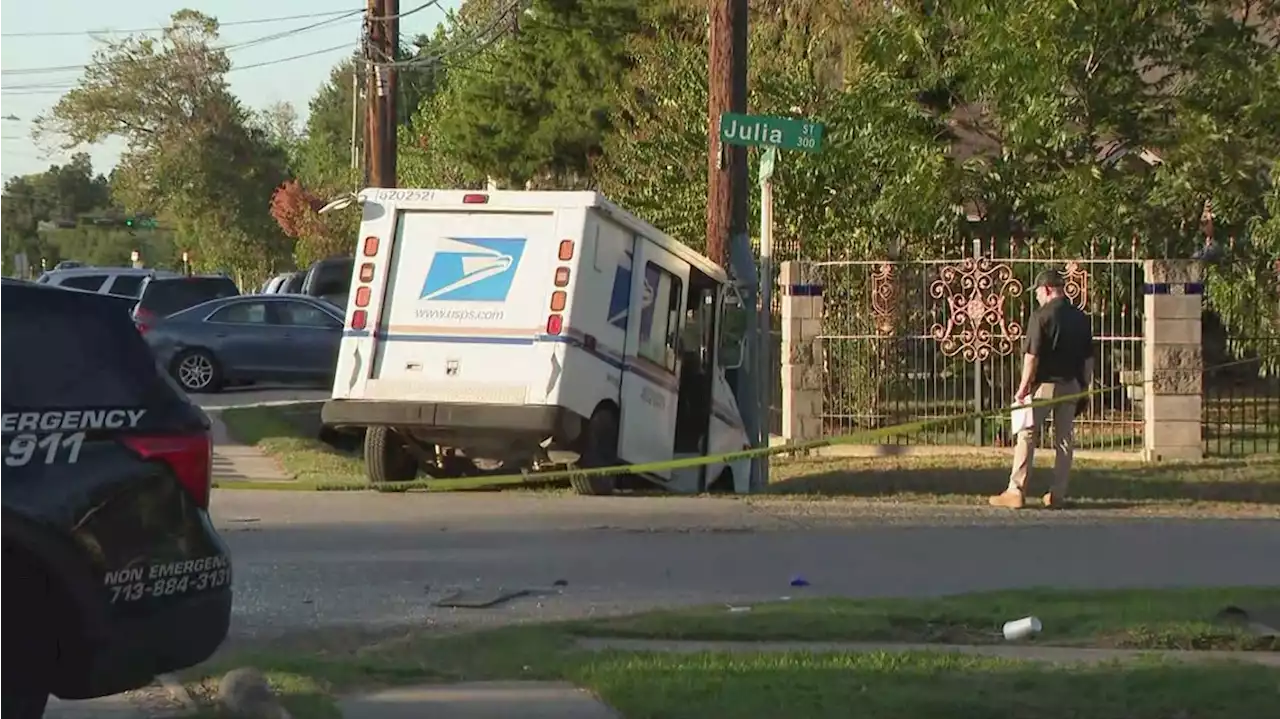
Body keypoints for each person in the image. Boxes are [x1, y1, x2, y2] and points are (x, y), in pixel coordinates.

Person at [989, 269, 1094, 509]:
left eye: (1037, 292)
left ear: (1046, 289)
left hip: (1043, 387)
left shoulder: (1041, 316)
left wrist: (1023, 388)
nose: (1036, 297)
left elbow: (1031, 357)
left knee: (1027, 434)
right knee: (1064, 440)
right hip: (1072, 385)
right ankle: (1058, 493)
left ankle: (1016, 490)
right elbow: (1089, 359)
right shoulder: (1080, 318)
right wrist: (1084, 387)